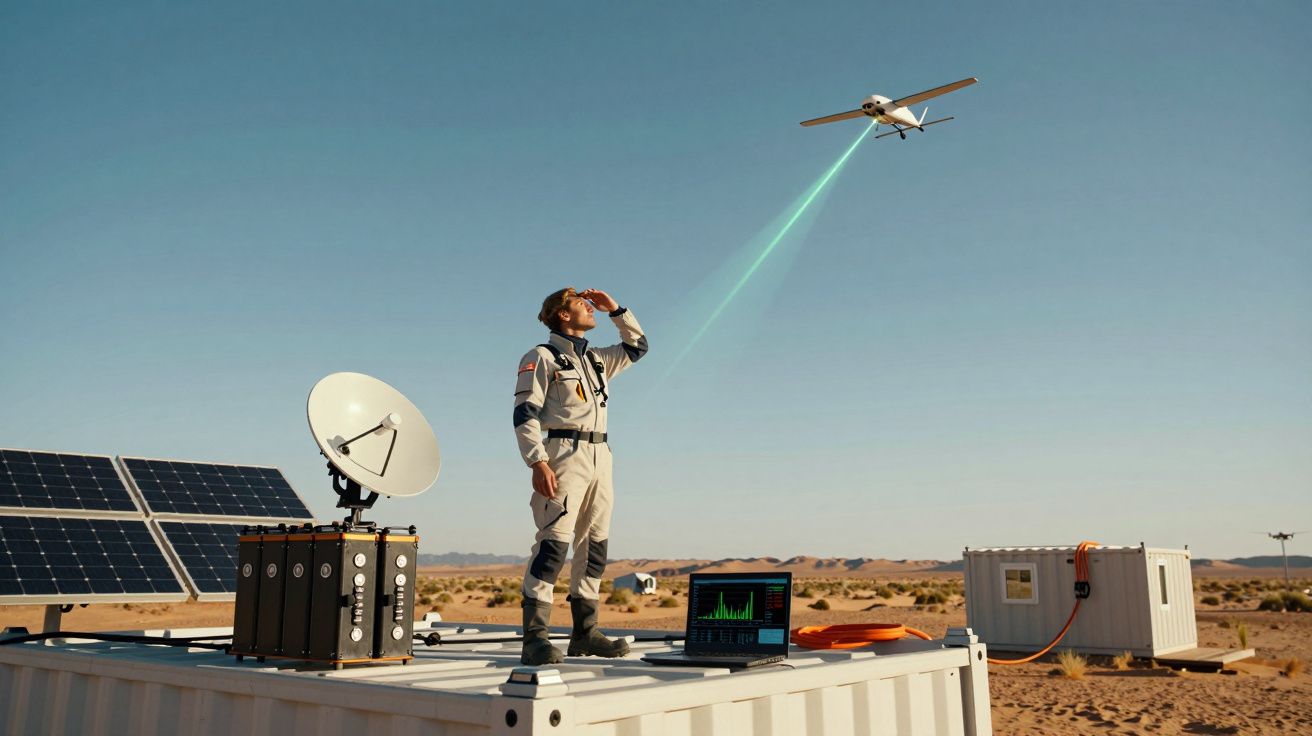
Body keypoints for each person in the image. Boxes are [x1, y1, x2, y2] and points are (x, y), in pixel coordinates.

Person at [512, 287, 648, 665]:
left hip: (601, 455)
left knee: (594, 546)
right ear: (563, 315)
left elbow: (638, 346)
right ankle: (535, 638)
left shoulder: (599, 360)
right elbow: (525, 413)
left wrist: (616, 309)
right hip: (563, 454)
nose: (590, 307)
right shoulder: (540, 357)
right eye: (581, 304)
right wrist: (537, 461)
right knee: (554, 545)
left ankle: (585, 633)